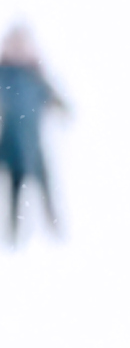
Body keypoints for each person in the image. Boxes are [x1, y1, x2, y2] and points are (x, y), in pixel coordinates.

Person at [1, 23, 65, 244]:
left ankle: (56, 232)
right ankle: (13, 236)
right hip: (10, 144)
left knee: (46, 187)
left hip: (34, 144)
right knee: (15, 189)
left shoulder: (34, 75)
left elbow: (54, 97)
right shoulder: (3, 75)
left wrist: (60, 106)